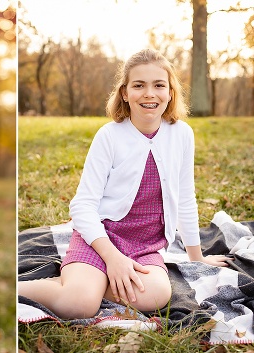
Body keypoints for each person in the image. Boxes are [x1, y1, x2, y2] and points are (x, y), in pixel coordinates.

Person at [17, 49, 228, 320]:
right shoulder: (109, 136)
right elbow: (82, 206)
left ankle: (87, 282)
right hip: (101, 238)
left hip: (146, 245)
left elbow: (186, 198)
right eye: (139, 85)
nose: (149, 93)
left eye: (159, 85)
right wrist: (112, 259)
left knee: (156, 295)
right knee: (78, 305)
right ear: (125, 93)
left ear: (171, 91)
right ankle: (54, 287)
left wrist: (197, 258)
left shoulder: (182, 134)